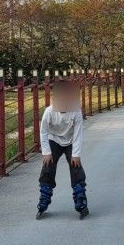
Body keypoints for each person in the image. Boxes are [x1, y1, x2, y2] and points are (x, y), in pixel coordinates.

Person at [36, 82, 89, 220]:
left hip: (71, 140)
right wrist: (46, 152)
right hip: (54, 140)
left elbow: (78, 134)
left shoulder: (76, 111)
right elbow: (43, 132)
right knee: (48, 166)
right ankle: (44, 197)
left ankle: (80, 198)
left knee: (76, 167)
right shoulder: (49, 112)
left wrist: (76, 155)